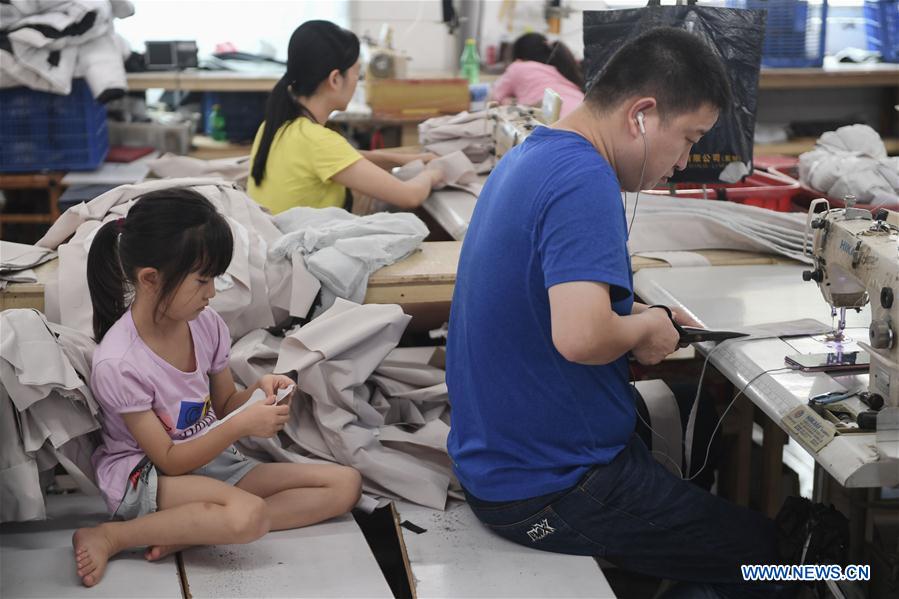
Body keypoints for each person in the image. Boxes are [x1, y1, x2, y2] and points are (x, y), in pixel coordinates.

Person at [447, 28, 788, 597]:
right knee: (778, 560)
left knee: (697, 409)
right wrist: (644, 327)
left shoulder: (535, 153)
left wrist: (636, 317)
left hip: (502, 458)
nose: (685, 161)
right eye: (688, 139)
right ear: (642, 115)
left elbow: (553, 306)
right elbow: (581, 337)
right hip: (546, 490)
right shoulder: (584, 179)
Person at [73, 189, 362, 587]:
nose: (211, 293)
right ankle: (113, 536)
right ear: (151, 279)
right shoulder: (120, 362)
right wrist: (243, 425)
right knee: (248, 514)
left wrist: (259, 392)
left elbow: (225, 403)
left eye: (214, 279)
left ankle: (192, 528)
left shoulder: (205, 325)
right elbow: (170, 459)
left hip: (207, 459)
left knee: (345, 484)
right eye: (202, 280)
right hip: (148, 476)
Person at [249, 20, 444, 214]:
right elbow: (409, 196)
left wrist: (405, 159)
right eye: (356, 74)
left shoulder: (274, 126)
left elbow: (344, 159)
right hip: (305, 235)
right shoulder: (318, 142)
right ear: (335, 79)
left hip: (276, 232)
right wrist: (433, 174)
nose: (357, 82)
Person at [491, 32, 585, 119]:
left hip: (556, 121)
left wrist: (507, 101)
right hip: (582, 115)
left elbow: (495, 97)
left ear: (518, 55)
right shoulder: (559, 69)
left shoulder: (518, 67)